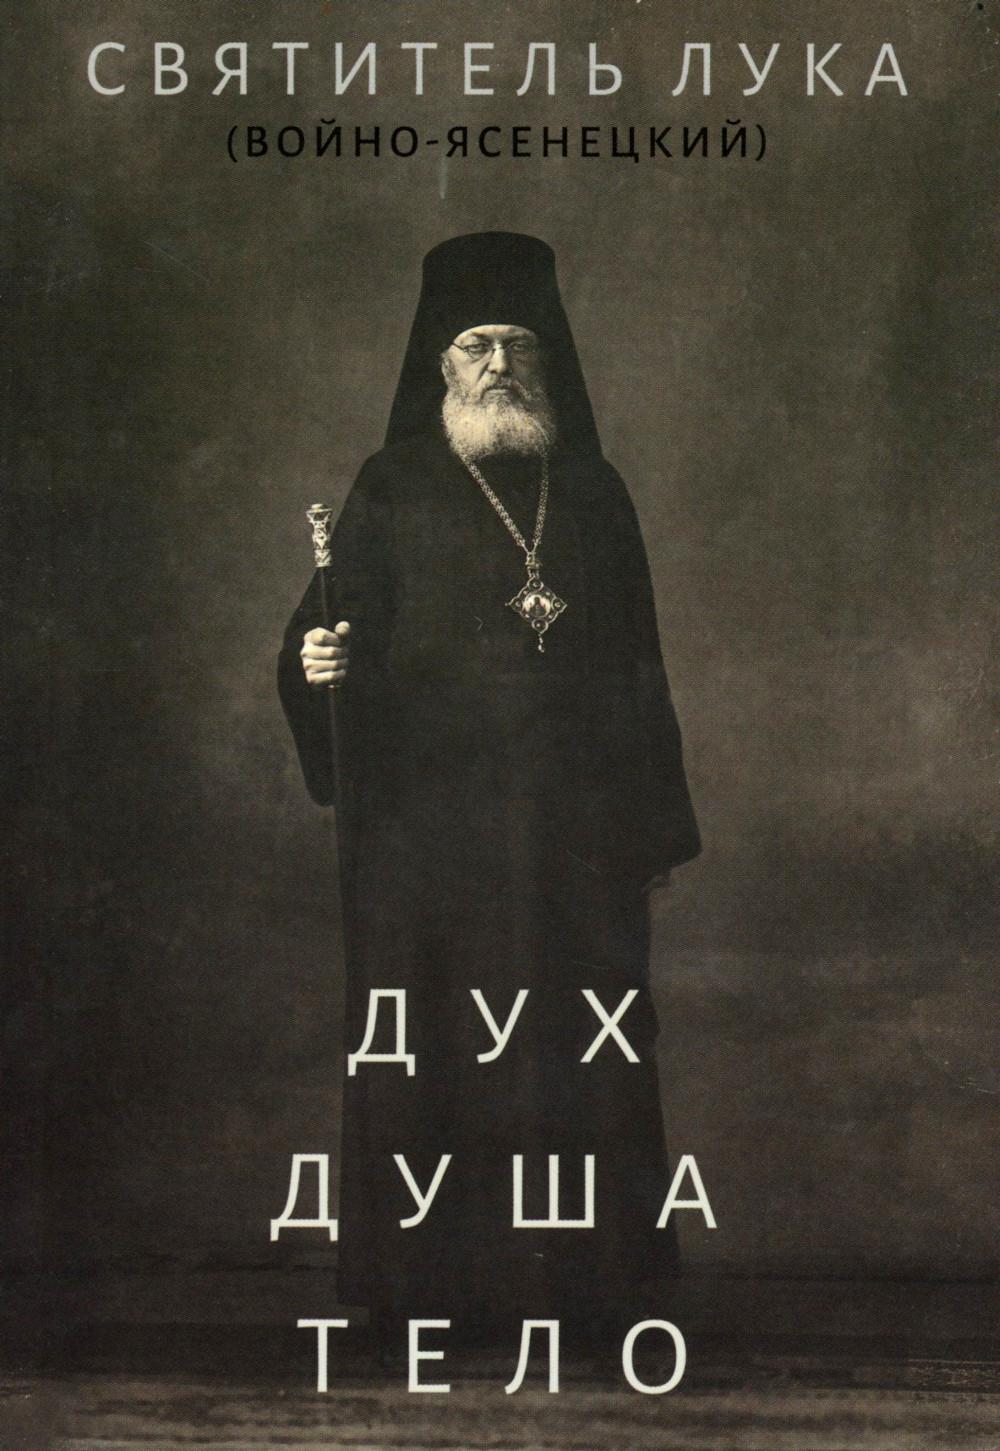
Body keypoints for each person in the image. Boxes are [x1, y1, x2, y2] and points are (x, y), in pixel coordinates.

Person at [278, 232, 700, 1353]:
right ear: (440, 365)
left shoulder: (595, 491)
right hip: (431, 837)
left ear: (549, 357)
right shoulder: (392, 483)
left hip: (575, 837)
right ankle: (425, 1288)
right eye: (476, 344)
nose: (499, 363)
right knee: (434, 1044)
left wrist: (653, 826)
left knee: (576, 1045)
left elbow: (642, 667)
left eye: (517, 342)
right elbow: (325, 631)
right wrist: (315, 662)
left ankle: (587, 1288)